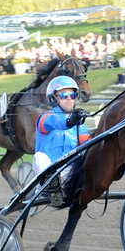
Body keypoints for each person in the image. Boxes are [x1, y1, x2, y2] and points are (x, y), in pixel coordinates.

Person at [33, 76, 91, 205]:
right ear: (53, 99)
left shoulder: (79, 125)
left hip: (70, 175)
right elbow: (54, 122)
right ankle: (50, 187)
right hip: (48, 171)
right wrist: (70, 121)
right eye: (64, 95)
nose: (70, 99)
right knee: (39, 156)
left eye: (73, 95)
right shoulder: (45, 118)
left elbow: (87, 142)